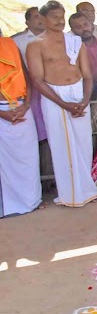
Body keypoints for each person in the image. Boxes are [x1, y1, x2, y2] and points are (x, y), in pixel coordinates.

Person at [26, 0, 97, 207]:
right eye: (54, 17)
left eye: (61, 16)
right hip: (54, 97)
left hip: (79, 95)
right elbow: (37, 80)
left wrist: (85, 100)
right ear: (43, 19)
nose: (59, 21)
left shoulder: (76, 42)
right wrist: (64, 104)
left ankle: (87, 190)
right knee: (61, 145)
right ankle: (70, 195)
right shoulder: (35, 45)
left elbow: (87, 75)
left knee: (83, 144)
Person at [0, 36, 42, 217]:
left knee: (28, 158)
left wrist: (25, 106)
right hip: (2, 113)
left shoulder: (9, 43)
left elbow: (26, 76)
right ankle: (10, 205)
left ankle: (31, 201)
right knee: (6, 163)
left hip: (22, 108)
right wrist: (2, 113)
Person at [12, 6, 47, 141]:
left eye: (42, 16)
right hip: (30, 87)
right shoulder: (16, 41)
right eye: (36, 17)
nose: (41, 20)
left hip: (53, 84)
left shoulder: (54, 38)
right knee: (36, 123)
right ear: (27, 22)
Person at [68, 12, 97, 99]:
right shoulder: (72, 51)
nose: (84, 29)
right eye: (78, 27)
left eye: (85, 24)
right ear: (72, 30)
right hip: (87, 92)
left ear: (91, 25)